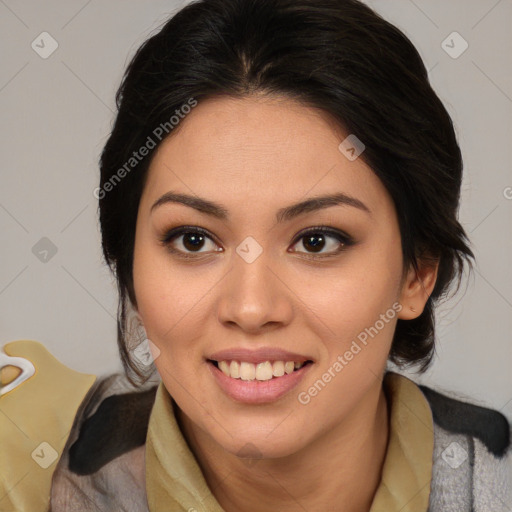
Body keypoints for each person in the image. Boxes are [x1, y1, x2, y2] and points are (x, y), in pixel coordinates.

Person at [1, 0, 510, 510]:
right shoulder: (19, 466)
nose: (251, 308)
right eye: (194, 240)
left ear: (417, 272)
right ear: (130, 261)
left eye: (317, 241)